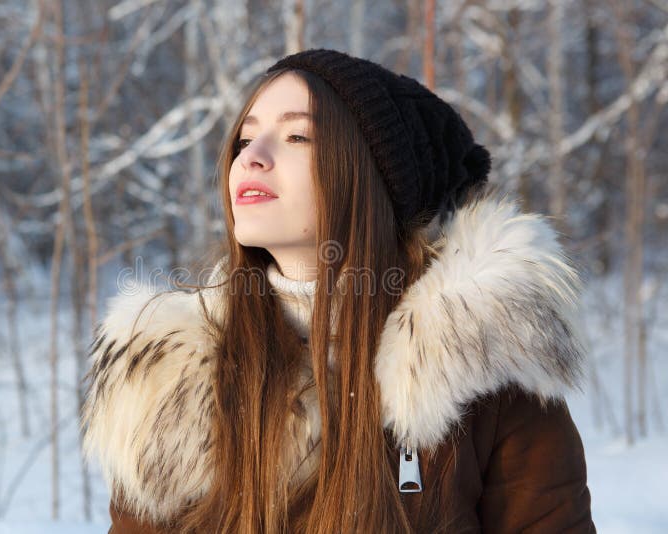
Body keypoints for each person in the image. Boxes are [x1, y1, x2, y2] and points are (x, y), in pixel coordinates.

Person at [81, 49, 595, 533]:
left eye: (297, 137)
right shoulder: (169, 380)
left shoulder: (485, 362)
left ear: (374, 177)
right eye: (244, 139)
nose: (251, 158)